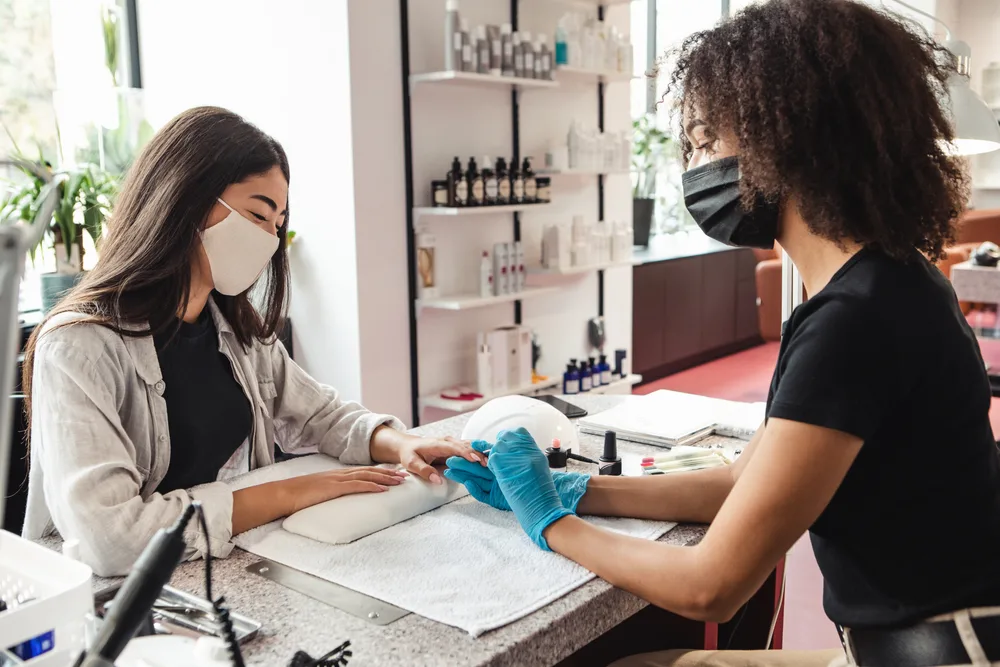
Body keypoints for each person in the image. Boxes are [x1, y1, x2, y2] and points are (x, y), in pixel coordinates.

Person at [446, 1, 1000, 665]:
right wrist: (576, 489)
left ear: (784, 138)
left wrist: (548, 520)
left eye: (708, 142)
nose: (697, 166)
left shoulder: (855, 322)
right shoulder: (886, 281)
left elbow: (712, 586)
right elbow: (739, 481)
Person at [22, 107, 481, 577]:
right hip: (113, 606)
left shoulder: (236, 330)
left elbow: (320, 415)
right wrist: (289, 492)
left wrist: (399, 443)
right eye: (257, 215)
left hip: (219, 570)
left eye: (278, 223)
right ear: (183, 199)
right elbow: (111, 540)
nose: (269, 239)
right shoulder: (78, 348)